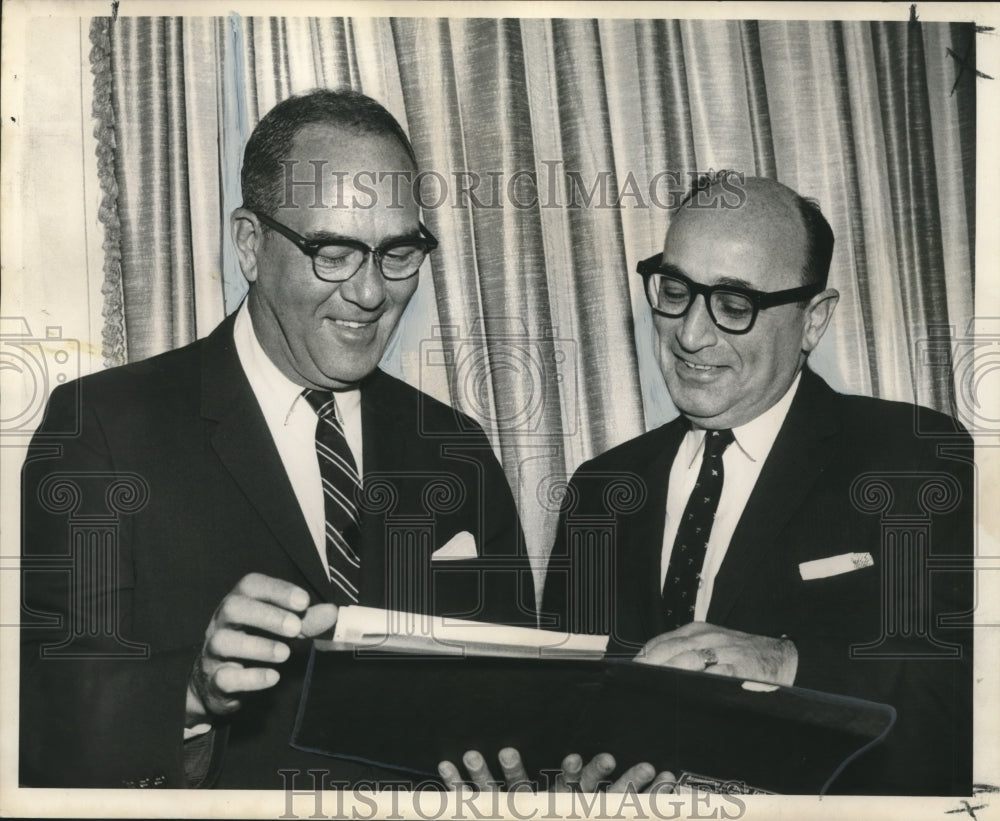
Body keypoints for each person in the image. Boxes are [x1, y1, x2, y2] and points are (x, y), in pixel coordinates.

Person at [19, 88, 537, 789]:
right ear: (249, 245)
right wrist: (191, 694)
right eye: (333, 251)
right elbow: (50, 727)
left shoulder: (456, 447)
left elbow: (516, 706)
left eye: (398, 252)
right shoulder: (105, 428)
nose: (370, 292)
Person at [541, 175, 973, 795]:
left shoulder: (914, 458)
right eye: (675, 289)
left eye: (735, 305)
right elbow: (567, 710)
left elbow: (970, 696)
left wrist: (785, 663)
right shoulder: (600, 488)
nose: (690, 335)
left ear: (813, 321)